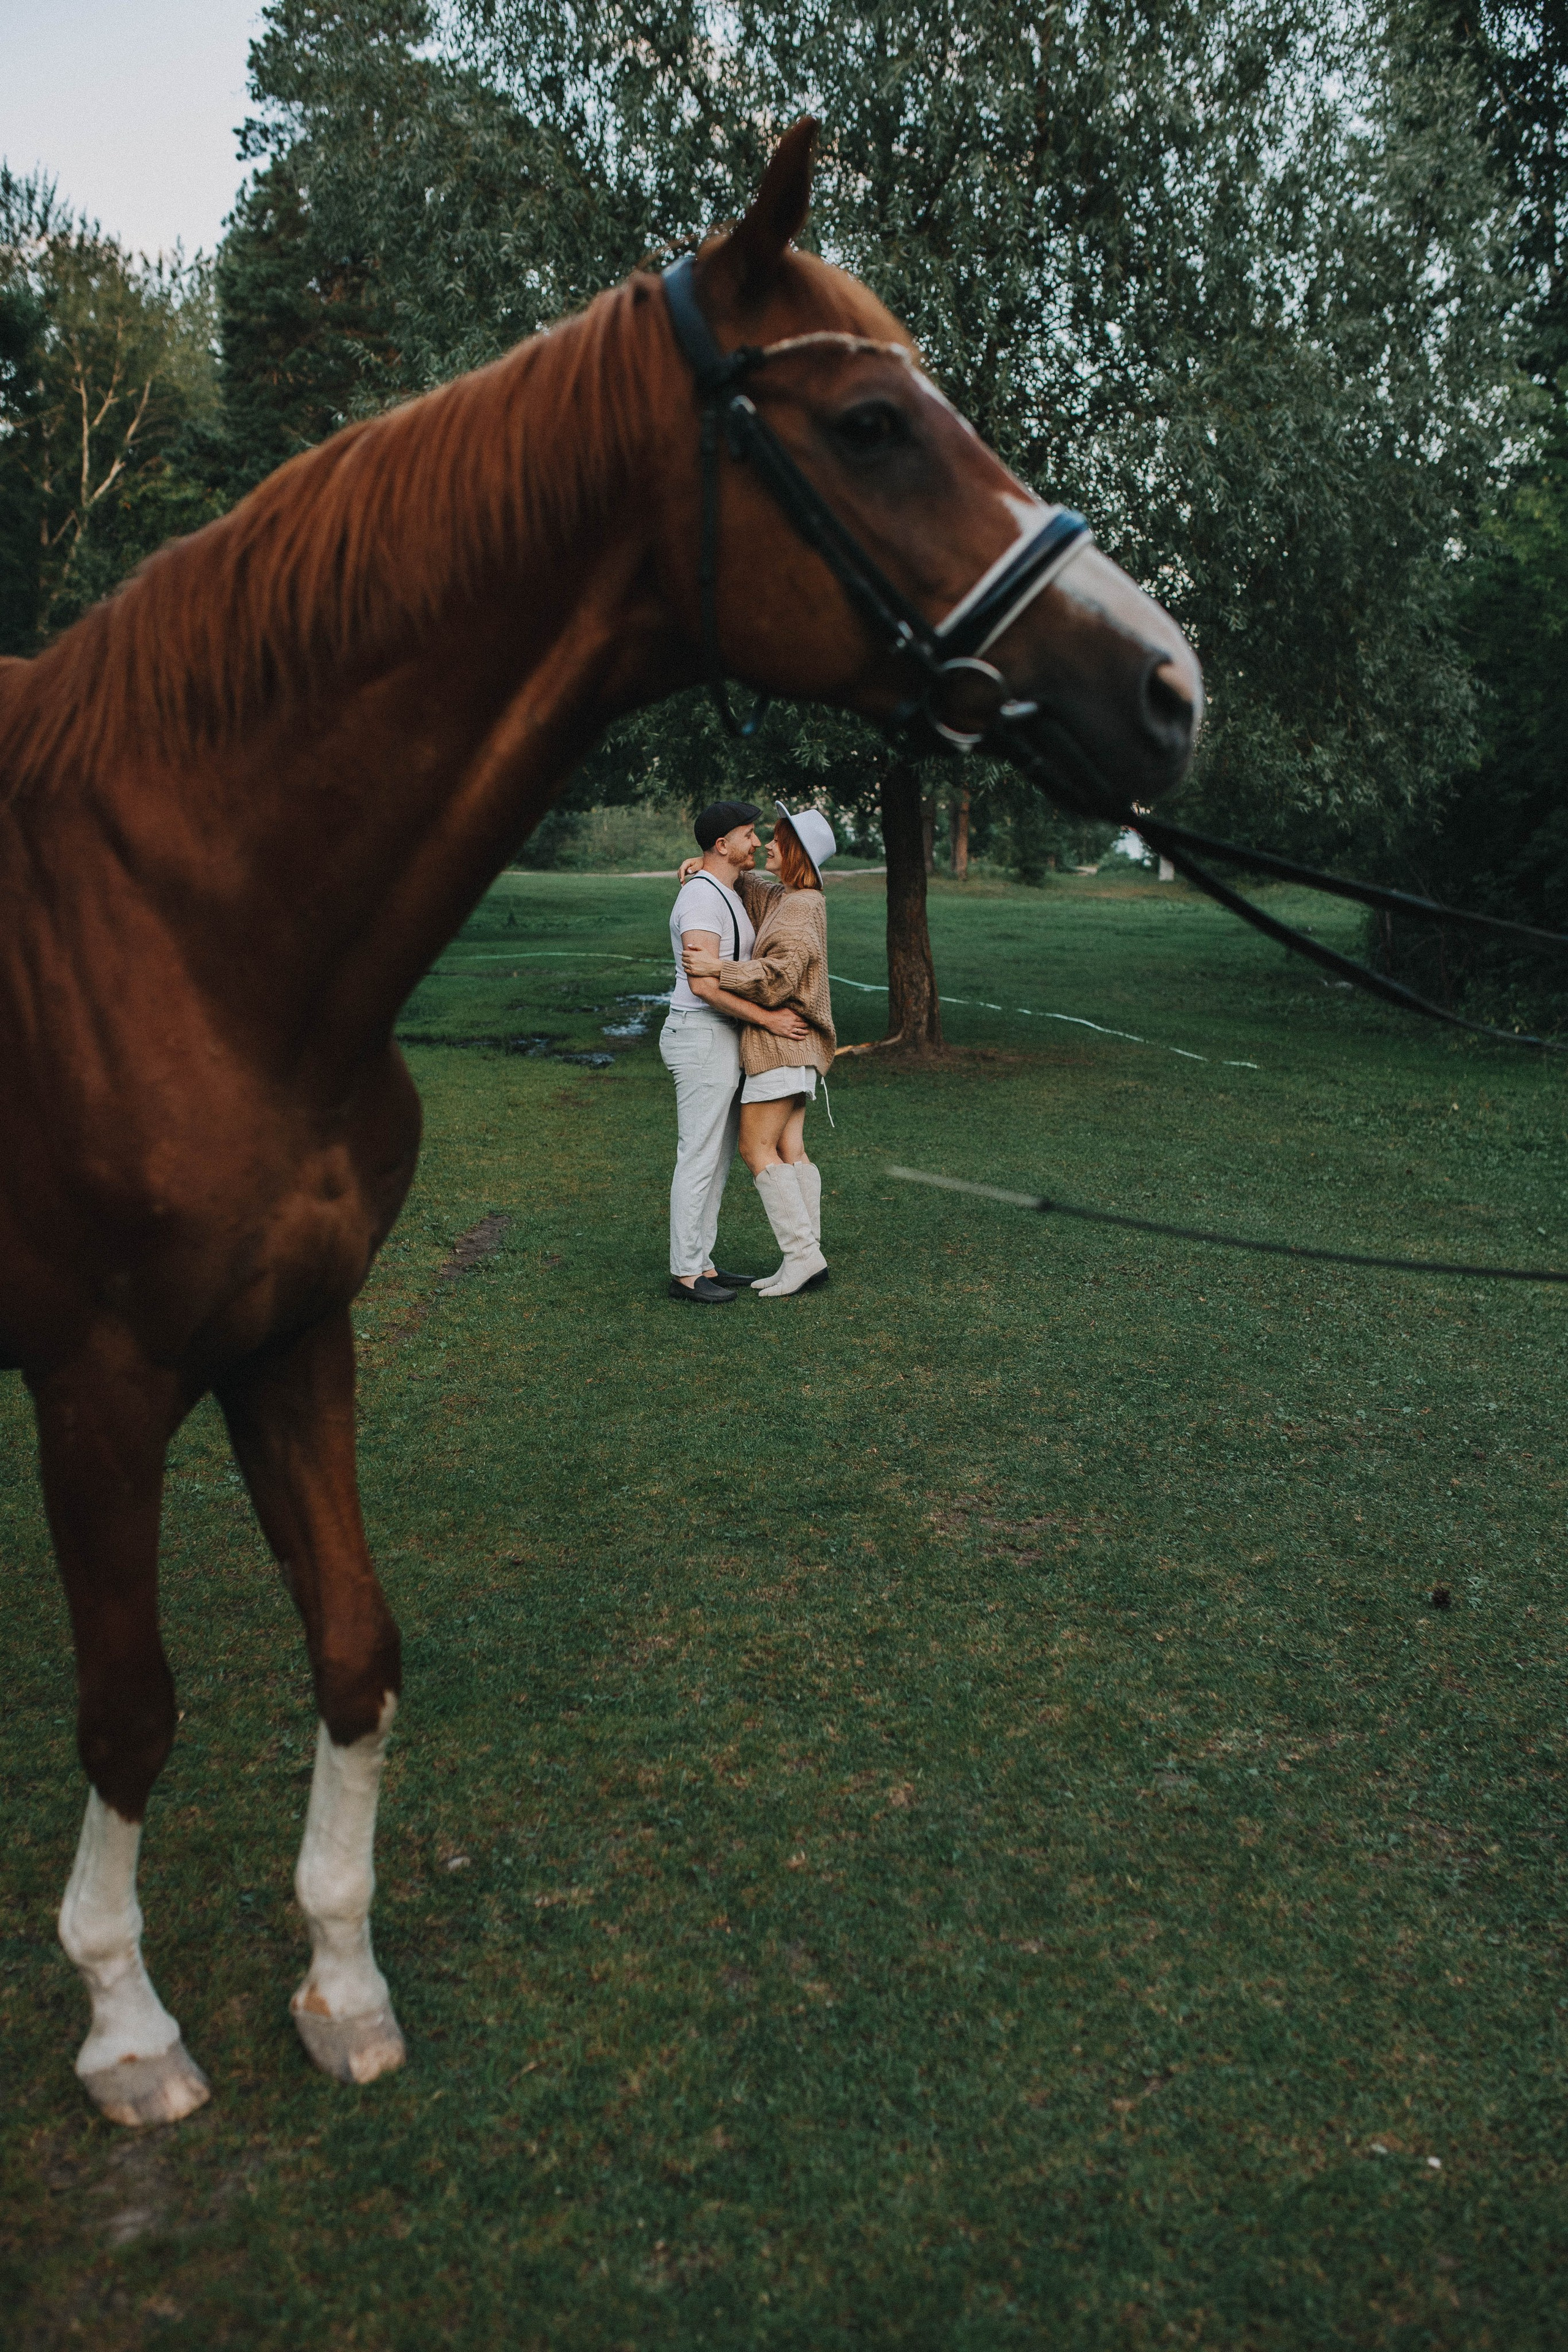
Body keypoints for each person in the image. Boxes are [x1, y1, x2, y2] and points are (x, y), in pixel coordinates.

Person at [679, 800, 837, 1298]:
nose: (765, 844)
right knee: (791, 1149)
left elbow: (779, 977)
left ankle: (802, 1256)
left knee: (755, 1147)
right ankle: (809, 1257)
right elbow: (745, 884)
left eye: (774, 839)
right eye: (757, 835)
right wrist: (699, 864)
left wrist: (716, 970)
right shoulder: (791, 898)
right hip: (798, 1045)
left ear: (795, 852)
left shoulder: (800, 907)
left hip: (779, 1044)